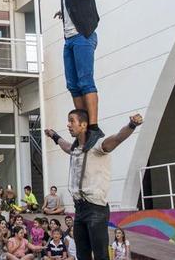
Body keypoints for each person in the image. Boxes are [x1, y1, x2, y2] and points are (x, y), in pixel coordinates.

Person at [51, 0, 133, 149]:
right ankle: (82, 126)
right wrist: (64, 12)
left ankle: (93, 126)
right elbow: (75, 5)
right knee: (72, 84)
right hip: (69, 40)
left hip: (82, 38)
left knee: (85, 81)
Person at [44, 109, 143, 260]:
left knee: (100, 255)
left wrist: (132, 125)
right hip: (79, 209)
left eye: (72, 121)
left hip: (95, 208)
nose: (68, 124)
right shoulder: (76, 149)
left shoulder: (98, 146)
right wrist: (53, 135)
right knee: (82, 254)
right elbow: (64, 145)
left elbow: (117, 138)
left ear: (83, 125)